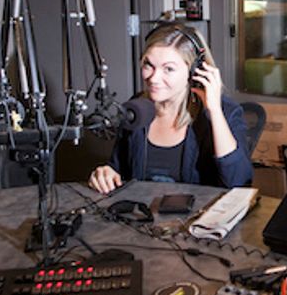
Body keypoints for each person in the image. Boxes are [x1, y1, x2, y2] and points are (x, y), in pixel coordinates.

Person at [88, 23, 252, 192]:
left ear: (195, 72)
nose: (154, 78)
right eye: (148, 65)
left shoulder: (225, 112)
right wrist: (106, 174)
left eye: (168, 69)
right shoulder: (136, 109)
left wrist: (215, 112)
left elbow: (238, 183)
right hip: (143, 208)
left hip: (200, 210)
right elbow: (119, 167)